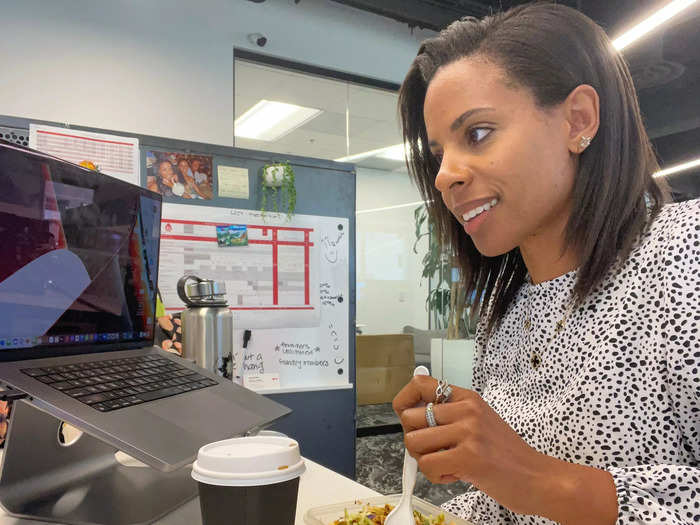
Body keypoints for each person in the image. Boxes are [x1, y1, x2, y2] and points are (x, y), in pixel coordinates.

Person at [392, 3, 699, 524]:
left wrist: (525, 473)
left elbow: (529, 484)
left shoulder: (684, 254)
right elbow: (510, 505)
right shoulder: (507, 315)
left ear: (577, 120)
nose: (444, 177)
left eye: (479, 133)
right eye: (439, 152)